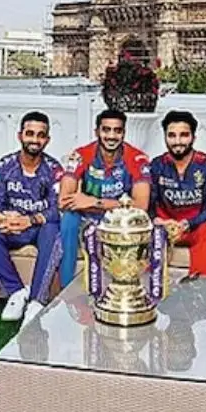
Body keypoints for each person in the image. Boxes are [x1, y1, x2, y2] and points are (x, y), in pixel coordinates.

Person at [0, 111, 65, 326]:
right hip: (11, 228)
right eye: (30, 133)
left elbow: (58, 209)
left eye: (40, 135)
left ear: (47, 140)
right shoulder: (4, 166)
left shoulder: (54, 170)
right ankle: (16, 292)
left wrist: (30, 220)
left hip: (38, 228)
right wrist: (2, 219)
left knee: (53, 229)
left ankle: (37, 300)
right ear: (20, 136)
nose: (35, 139)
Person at [56, 108, 156, 289]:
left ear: (123, 133)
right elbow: (64, 200)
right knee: (69, 219)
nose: (111, 136)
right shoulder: (81, 155)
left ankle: (126, 288)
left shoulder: (137, 158)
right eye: (106, 130)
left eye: (117, 131)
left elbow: (141, 206)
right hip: (88, 219)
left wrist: (95, 202)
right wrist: (96, 205)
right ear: (97, 132)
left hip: (120, 222)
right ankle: (66, 288)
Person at [148, 110, 206, 278]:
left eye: (184, 135)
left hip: (194, 227)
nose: (177, 141)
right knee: (147, 230)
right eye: (172, 135)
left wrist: (187, 224)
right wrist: (159, 221)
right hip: (165, 227)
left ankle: (199, 287)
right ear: (165, 137)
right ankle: (149, 287)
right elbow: (148, 205)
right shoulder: (156, 165)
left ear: (193, 138)